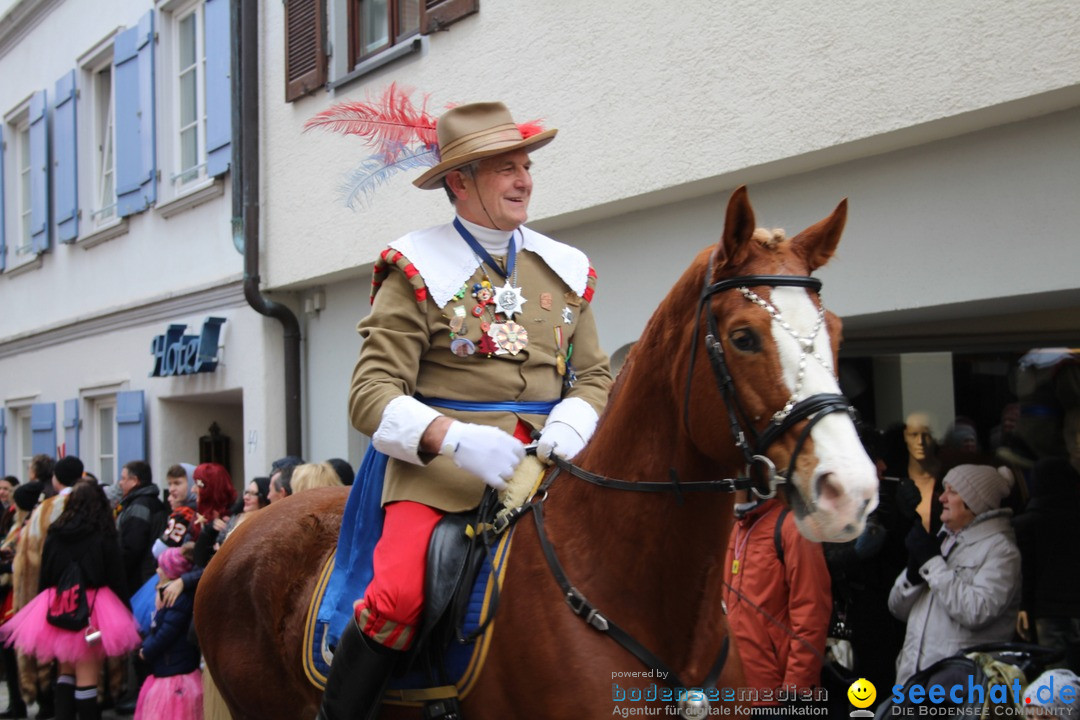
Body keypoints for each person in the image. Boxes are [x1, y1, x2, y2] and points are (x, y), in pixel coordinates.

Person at [317, 100, 612, 720]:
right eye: (504, 167)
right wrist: (455, 439)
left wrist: (571, 420)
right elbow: (369, 394)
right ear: (460, 181)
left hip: (554, 463)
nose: (523, 179)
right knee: (396, 598)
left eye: (525, 164)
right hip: (440, 472)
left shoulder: (563, 267)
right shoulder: (414, 268)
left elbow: (591, 374)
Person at [0, 481, 141, 720]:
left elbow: (46, 574)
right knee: (88, 677)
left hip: (60, 603)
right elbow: (116, 578)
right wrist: (125, 614)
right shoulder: (104, 534)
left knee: (65, 672)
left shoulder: (55, 532)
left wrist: (44, 608)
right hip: (95, 608)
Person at [888, 464, 1021, 686]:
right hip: (913, 682)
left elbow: (976, 611)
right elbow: (896, 609)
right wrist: (912, 576)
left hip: (959, 692)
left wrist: (932, 563)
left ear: (975, 503)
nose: (942, 498)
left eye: (953, 491)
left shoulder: (1002, 550)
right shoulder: (944, 540)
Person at [722, 491, 832, 712]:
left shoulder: (794, 526)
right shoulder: (734, 527)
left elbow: (811, 612)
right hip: (730, 692)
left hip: (774, 695)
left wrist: (798, 687)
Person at [14, 455, 79, 719]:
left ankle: (48, 702)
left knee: (52, 653)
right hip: (89, 589)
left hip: (51, 588)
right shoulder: (93, 504)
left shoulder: (47, 508)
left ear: (56, 478)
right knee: (83, 654)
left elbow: (31, 552)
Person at [1014, 456, 1080, 673]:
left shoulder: (1027, 523)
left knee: (1057, 678)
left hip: (1047, 611)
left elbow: (1027, 571)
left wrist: (1024, 606)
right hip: (1069, 608)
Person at [133, 548, 201, 720]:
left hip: (174, 674)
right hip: (167, 668)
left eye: (161, 568)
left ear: (170, 572)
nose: (157, 570)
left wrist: (146, 650)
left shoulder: (177, 600)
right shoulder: (169, 595)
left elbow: (165, 633)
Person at [0, 483, 42, 719]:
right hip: (12, 595)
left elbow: (22, 565)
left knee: (19, 653)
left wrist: (4, 564)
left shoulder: (28, 528)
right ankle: (16, 703)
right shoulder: (19, 527)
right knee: (10, 654)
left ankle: (23, 703)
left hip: (20, 597)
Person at [115, 462, 168, 600]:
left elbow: (132, 547)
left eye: (123, 478)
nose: (120, 483)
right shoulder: (153, 502)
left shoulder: (138, 506)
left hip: (140, 578)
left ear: (134, 481)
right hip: (150, 573)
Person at [217, 477, 270, 546]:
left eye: (253, 494)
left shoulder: (265, 526)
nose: (246, 497)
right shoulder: (236, 518)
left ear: (263, 498)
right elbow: (220, 540)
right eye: (247, 492)